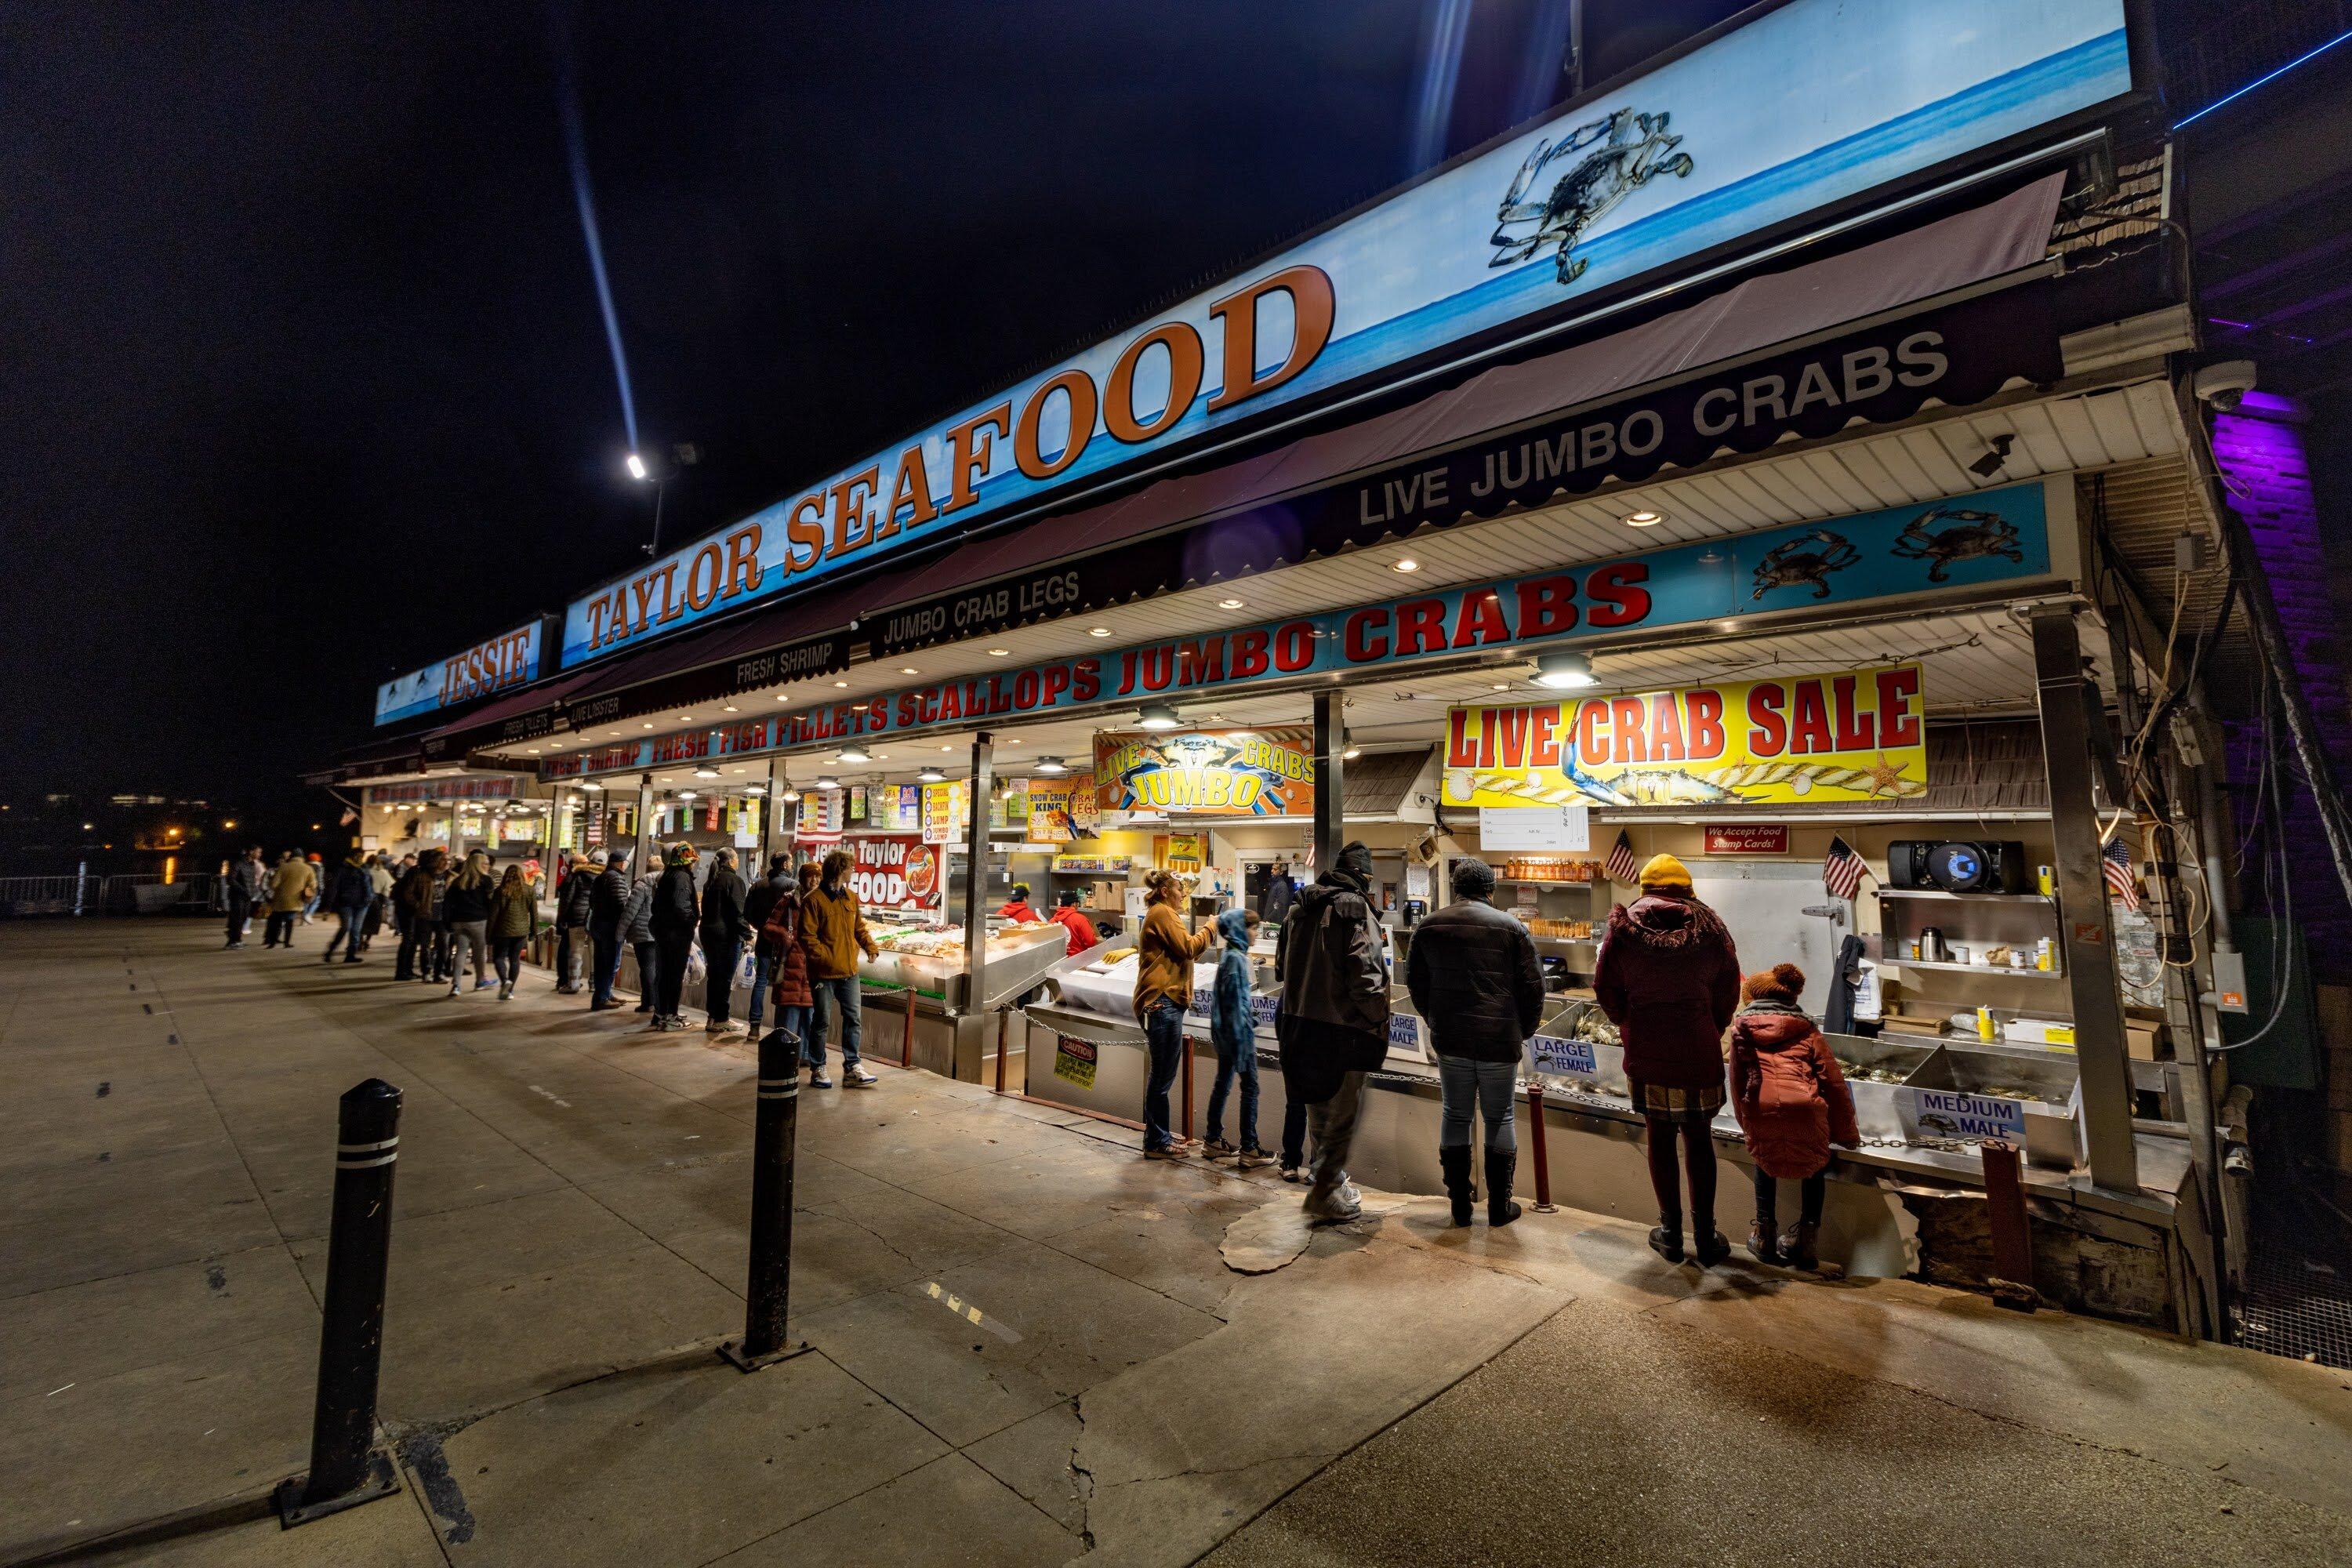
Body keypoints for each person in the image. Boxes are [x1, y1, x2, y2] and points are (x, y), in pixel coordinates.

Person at [1594, 852, 1741, 1267]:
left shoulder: (1622, 929)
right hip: (1698, 1048)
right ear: (1686, 887)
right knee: (1699, 1140)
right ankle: (1707, 1235)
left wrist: (1628, 1021)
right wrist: (1711, 1026)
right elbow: (1730, 986)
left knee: (1659, 1137)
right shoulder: (1711, 926)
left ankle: (1671, 1233)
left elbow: (1605, 987)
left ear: (1644, 888)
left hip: (1646, 1046)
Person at [1406, 855, 1544, 1227]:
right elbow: (1533, 987)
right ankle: (1500, 1207)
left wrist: (1433, 1018)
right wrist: (1524, 1029)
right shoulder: (1512, 927)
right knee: (1500, 1116)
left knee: (1455, 1114)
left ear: (1456, 889)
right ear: (1490, 890)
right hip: (1499, 1038)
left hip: (1450, 1038)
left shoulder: (1429, 926)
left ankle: (1460, 1207)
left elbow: (1414, 982)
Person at [1276, 842, 1390, 1220]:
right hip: (1341, 1029)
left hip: (1297, 1023)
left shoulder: (1297, 910)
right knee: (1342, 1115)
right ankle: (1325, 1192)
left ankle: (1330, 1184)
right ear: (1364, 877)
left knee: (1317, 1109)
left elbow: (1280, 969)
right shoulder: (1355, 911)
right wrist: (1377, 1021)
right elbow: (1367, 979)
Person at [1729, 964, 1858, 1270]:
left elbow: (1735, 1080)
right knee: (1815, 1165)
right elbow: (1833, 1082)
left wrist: (1744, 1119)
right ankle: (1807, 1242)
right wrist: (1846, 1132)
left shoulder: (1742, 1029)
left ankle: (1764, 1236)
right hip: (1805, 1107)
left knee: (1764, 1161)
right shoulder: (1809, 1031)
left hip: (1761, 1106)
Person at [1133, 869, 1214, 1159]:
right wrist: (1211, 927)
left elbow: (1181, 952)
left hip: (1164, 1003)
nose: (1184, 895)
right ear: (1166, 891)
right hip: (1162, 1001)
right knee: (1162, 1077)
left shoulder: (1161, 913)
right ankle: (1156, 1141)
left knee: (1162, 1075)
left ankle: (1159, 1137)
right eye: (1180, 889)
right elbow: (1189, 947)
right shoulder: (1163, 913)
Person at [799, 848, 880, 1086]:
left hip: (850, 972)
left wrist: (870, 946)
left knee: (853, 1019)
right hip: (824, 973)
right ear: (839, 870)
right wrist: (824, 958)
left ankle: (852, 1067)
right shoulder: (813, 900)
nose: (853, 871)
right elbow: (806, 937)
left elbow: (859, 928)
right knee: (822, 1021)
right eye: (850, 867)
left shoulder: (851, 897)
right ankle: (818, 1067)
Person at [1203, 907, 1272, 1167]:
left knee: (1222, 1085)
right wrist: (1245, 1033)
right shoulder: (1236, 960)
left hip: (1225, 1033)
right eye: (1253, 928)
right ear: (1240, 930)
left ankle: (1212, 1140)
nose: (1256, 933)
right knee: (1250, 1089)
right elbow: (1235, 1004)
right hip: (1237, 1037)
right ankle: (1250, 1149)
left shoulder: (1231, 956)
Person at [762, 861, 821, 1083]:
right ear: (802, 878)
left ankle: (805, 1055)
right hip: (791, 965)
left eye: (817, 876)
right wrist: (783, 935)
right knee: (790, 1011)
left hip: (812, 965)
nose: (814, 880)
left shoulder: (823, 902)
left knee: (810, 1014)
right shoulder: (788, 901)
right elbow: (768, 926)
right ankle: (785, 1053)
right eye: (810, 876)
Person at [648, 844, 700, 1032]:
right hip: (676, 934)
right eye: (692, 860)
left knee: (665, 975)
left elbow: (657, 906)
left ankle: (663, 1014)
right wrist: (693, 920)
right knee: (674, 976)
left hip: (664, 932)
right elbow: (681, 907)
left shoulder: (668, 875)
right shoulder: (682, 878)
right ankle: (670, 1017)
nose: (694, 863)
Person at [742, 854, 793, 1040]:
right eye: (791, 862)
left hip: (764, 939)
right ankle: (782, 1029)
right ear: (786, 864)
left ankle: (754, 1027)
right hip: (785, 944)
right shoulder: (791, 885)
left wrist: (760, 926)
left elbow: (746, 913)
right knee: (785, 984)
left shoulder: (758, 885)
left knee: (761, 981)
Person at [699, 848, 750, 1035]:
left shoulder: (711, 880)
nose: (737, 861)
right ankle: (721, 1019)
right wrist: (748, 935)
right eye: (736, 858)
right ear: (730, 861)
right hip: (726, 937)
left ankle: (712, 1017)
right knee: (724, 978)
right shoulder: (734, 880)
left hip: (708, 932)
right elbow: (737, 913)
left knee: (714, 976)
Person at [441, 849, 496, 996]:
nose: (487, 866)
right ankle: (480, 981)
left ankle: (456, 986)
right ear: (479, 864)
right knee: (479, 953)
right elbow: (492, 903)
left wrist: (447, 922)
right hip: (478, 921)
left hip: (458, 922)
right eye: (485, 863)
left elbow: (447, 903)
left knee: (461, 952)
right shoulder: (486, 880)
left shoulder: (458, 881)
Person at [488, 862, 539, 1000]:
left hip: (502, 931)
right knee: (515, 960)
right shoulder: (529, 890)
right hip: (521, 932)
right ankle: (510, 991)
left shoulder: (500, 891)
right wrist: (533, 932)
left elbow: (493, 915)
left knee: (498, 958)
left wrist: (489, 934)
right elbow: (534, 914)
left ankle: (505, 981)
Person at [589, 848, 632, 1011]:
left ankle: (605, 993)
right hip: (610, 927)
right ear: (621, 864)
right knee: (611, 963)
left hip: (597, 924)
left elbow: (591, 902)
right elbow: (621, 905)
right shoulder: (617, 879)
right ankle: (602, 998)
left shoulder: (600, 878)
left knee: (601, 962)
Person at [552, 851, 600, 993]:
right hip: (593, 919)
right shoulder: (598, 876)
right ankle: (593, 984)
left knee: (576, 951)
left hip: (577, 919)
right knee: (593, 951)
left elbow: (567, 900)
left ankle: (573, 983)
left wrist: (562, 918)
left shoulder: (574, 877)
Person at [394, 850, 440, 979]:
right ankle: (401, 972)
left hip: (415, 912)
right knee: (408, 940)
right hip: (408, 912)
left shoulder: (426, 872)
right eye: (436, 860)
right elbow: (408, 893)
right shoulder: (418, 872)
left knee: (412, 941)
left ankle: (407, 970)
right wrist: (418, 905)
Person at [321, 852, 374, 966]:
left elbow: (369, 885)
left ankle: (350, 955)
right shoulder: (342, 868)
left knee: (355, 930)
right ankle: (330, 951)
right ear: (351, 856)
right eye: (357, 855)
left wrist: (370, 899)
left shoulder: (364, 868)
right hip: (345, 904)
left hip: (362, 904)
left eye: (361, 856)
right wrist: (328, 907)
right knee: (346, 927)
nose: (359, 858)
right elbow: (333, 887)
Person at [622, 858, 661, 1014]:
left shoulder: (642, 884)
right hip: (660, 933)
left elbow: (630, 910)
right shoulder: (669, 882)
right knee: (658, 969)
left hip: (642, 933)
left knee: (647, 968)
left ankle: (648, 1002)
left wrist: (620, 933)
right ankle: (658, 1002)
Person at [263, 851, 315, 949]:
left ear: (291, 857)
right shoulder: (308, 868)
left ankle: (272, 943)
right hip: (296, 900)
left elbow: (274, 884)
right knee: (289, 922)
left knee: (276, 921)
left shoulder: (283, 867)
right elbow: (313, 885)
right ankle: (287, 943)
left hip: (280, 900)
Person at [224, 846, 266, 948]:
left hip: (247, 896)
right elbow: (231, 879)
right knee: (237, 918)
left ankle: (236, 939)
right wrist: (243, 890)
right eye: (258, 852)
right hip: (238, 896)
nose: (260, 854)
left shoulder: (251, 864)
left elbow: (251, 880)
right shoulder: (239, 863)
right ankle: (233, 941)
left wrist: (253, 892)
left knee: (243, 917)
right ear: (251, 851)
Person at [1047, 887, 1099, 956]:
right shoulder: (1080, 919)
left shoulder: (1051, 921)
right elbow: (1091, 942)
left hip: (1058, 961)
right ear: (1074, 904)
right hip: (1078, 961)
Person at [361, 853, 394, 952]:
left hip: (363, 898)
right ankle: (367, 941)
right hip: (377, 899)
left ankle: (360, 939)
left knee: (362, 920)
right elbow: (389, 886)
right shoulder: (384, 872)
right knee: (373, 921)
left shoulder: (364, 871)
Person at [300, 851, 325, 924]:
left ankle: (304, 920)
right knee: (317, 901)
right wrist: (321, 887)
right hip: (315, 886)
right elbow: (319, 878)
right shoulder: (319, 866)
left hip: (307, 886)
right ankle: (308, 915)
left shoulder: (306, 866)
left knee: (306, 902)